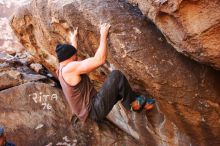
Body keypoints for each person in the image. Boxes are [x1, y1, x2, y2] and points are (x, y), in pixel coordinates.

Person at [55, 23, 155, 123]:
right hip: (94, 109)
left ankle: (139, 102)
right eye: (75, 56)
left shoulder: (60, 69)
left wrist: (74, 40)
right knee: (116, 76)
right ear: (70, 57)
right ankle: (134, 105)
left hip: (91, 110)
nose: (76, 58)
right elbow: (99, 60)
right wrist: (103, 35)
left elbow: (71, 54)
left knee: (119, 87)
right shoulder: (70, 68)